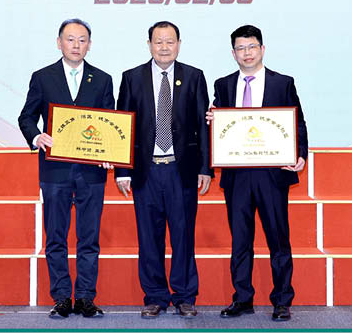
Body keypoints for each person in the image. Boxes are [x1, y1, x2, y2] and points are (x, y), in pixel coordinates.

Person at [210, 24, 308, 322]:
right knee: (241, 241)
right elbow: (221, 127)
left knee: (278, 239)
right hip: (237, 174)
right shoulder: (223, 84)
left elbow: (298, 122)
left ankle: (282, 300)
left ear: (262, 49)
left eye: (252, 46)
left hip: (271, 173)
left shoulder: (283, 83)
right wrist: (212, 119)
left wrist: (300, 154)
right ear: (233, 53)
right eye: (241, 48)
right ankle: (242, 298)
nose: (247, 53)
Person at [115, 21, 212, 319]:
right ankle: (155, 296)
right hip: (146, 171)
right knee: (149, 237)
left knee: (183, 235)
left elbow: (203, 126)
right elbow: (123, 126)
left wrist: (205, 168)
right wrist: (122, 171)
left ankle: (185, 296)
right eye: (158, 42)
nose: (164, 47)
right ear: (149, 45)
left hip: (181, 170)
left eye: (170, 41)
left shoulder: (194, 76)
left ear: (179, 44)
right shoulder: (131, 77)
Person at [18, 18, 115, 319]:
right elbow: (26, 117)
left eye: (82, 40)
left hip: (91, 171)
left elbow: (110, 122)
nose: (76, 45)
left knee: (89, 237)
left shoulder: (103, 79)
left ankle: (85, 297)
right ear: (59, 42)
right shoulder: (42, 77)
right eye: (70, 39)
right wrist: (36, 136)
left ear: (90, 44)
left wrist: (110, 152)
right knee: (56, 236)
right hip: (55, 170)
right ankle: (61, 297)